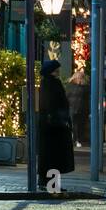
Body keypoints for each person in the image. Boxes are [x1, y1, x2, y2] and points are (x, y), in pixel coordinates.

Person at [37, 60, 75, 191]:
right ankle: (52, 185)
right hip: (55, 126)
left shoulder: (44, 83)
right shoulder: (54, 83)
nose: (58, 72)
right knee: (55, 156)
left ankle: (45, 181)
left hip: (47, 125)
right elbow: (58, 103)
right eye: (57, 70)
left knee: (47, 155)